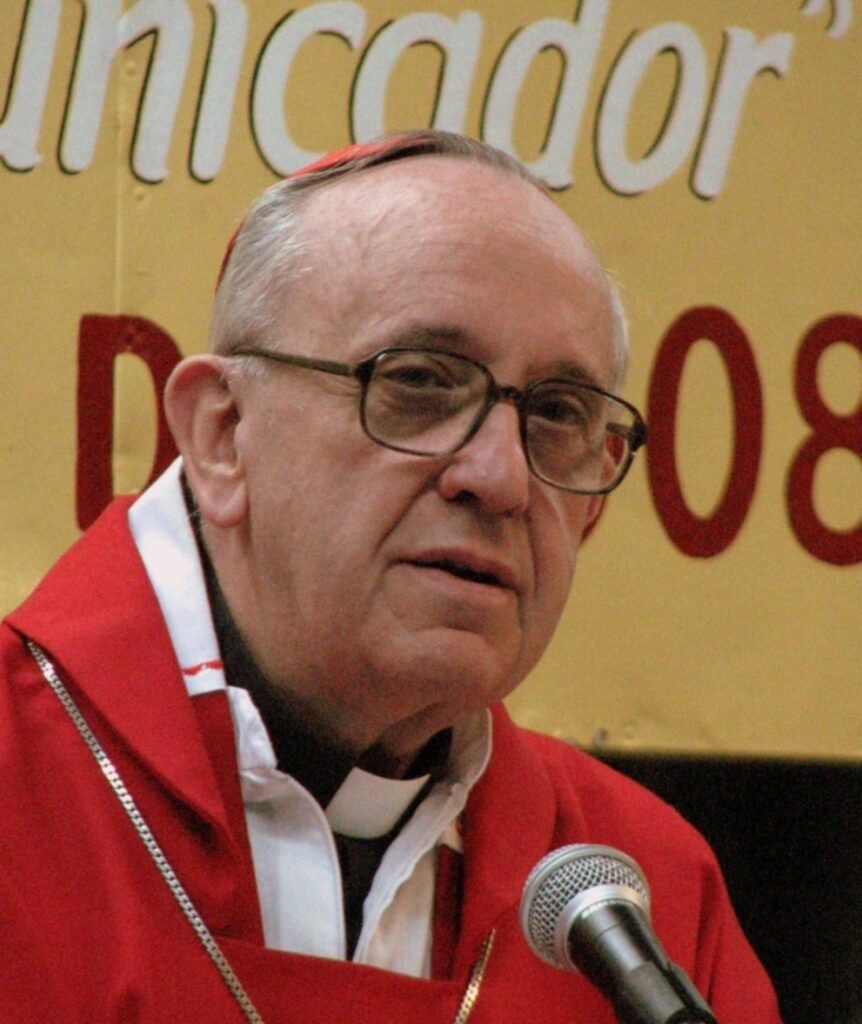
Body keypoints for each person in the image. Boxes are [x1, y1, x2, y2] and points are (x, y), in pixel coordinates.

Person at [0, 130, 781, 1023]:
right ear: (221, 436)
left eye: (559, 413)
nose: (500, 478)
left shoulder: (644, 901)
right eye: (418, 381)